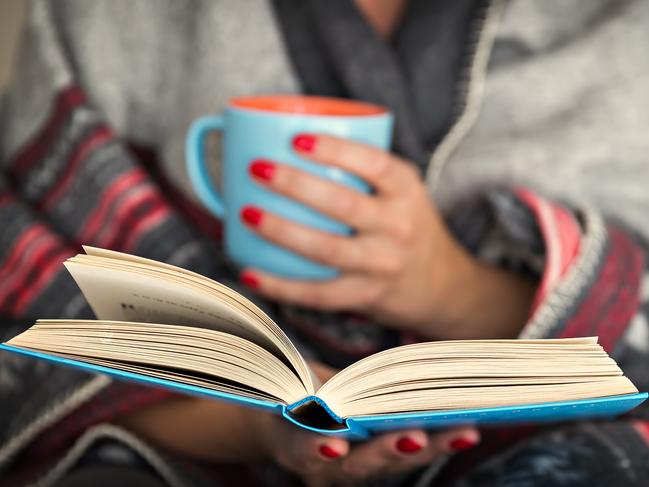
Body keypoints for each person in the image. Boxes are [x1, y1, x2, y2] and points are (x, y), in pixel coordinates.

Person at [1, 0, 649, 485]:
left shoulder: (624, 30)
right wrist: (255, 418)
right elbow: (38, 310)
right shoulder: (111, 17)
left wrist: (453, 288)